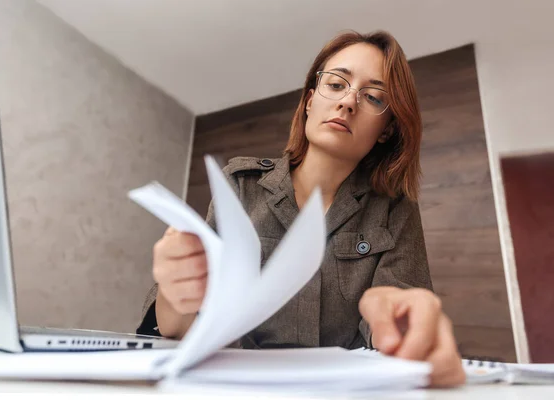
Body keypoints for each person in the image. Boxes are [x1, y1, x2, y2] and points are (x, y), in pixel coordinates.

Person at [137, 30, 466, 386]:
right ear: (310, 101)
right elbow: (184, 325)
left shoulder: (395, 209)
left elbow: (397, 327)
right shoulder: (241, 184)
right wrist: (176, 292)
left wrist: (401, 330)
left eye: (372, 97)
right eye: (337, 84)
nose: (348, 103)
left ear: (385, 130)